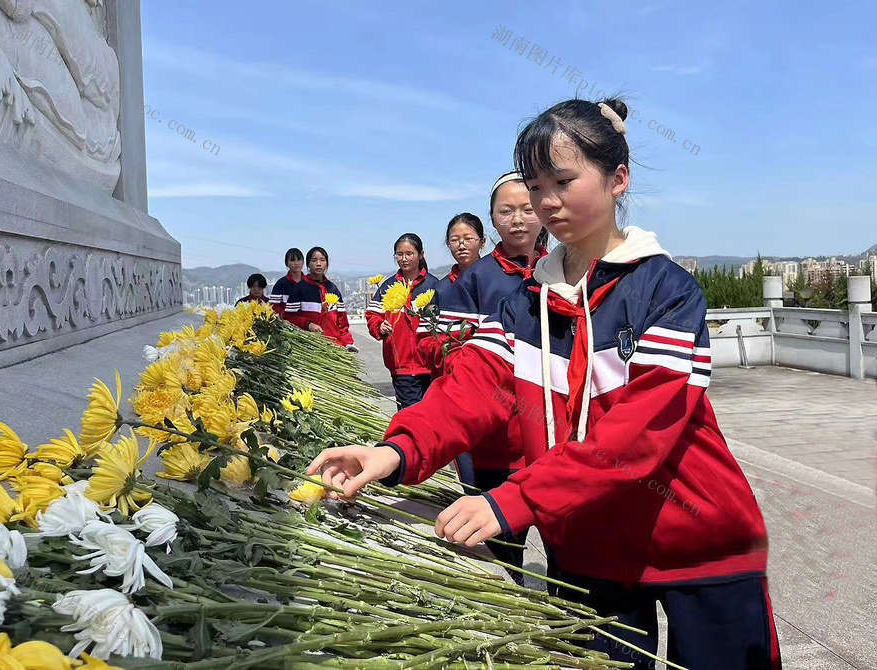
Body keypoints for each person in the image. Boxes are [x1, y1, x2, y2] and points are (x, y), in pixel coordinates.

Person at [308, 98, 780, 669]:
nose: (546, 201)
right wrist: (394, 451)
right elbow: (470, 388)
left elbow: (638, 435)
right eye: (535, 186)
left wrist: (518, 499)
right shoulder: (524, 305)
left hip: (698, 545)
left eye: (563, 181)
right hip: (585, 552)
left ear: (617, 179)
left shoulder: (666, 291)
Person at [430, 174, 551, 582]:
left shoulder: (565, 268)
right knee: (502, 551)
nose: (518, 219)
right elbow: (450, 355)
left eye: (527, 209)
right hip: (498, 442)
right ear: (493, 220)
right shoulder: (475, 278)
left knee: (568, 551)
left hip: (556, 441)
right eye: (506, 211)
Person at [365, 234, 438, 410]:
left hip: (430, 364)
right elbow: (372, 316)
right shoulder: (388, 287)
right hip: (401, 366)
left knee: (432, 413)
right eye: (399, 254)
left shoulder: (434, 285)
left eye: (409, 254)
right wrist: (380, 326)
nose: (404, 259)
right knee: (410, 414)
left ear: (421, 254)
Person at [414, 213, 487, 378]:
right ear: (448, 244)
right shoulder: (441, 289)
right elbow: (424, 338)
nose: (461, 245)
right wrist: (449, 357)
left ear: (482, 242)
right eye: (455, 240)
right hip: (450, 373)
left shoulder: (494, 281)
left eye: (468, 239)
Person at [287, 247, 358, 352]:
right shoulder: (300, 289)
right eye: (314, 260)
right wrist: (308, 324)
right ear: (308, 264)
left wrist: (348, 343)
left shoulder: (332, 289)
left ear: (327, 264)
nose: (318, 264)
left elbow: (342, 322)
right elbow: (289, 317)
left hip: (334, 347)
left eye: (322, 260)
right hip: (309, 348)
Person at [269, 248, 304, 318]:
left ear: (303, 262)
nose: (296, 263)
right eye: (292, 260)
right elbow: (273, 306)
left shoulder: (309, 283)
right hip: (287, 322)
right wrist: (284, 315)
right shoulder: (281, 284)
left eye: (299, 260)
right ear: (286, 263)